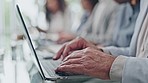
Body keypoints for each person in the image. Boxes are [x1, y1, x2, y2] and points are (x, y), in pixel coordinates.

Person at [53, 0, 148, 83]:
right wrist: (100, 52)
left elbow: (111, 40)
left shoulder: (116, 6)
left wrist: (111, 64)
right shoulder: (142, 4)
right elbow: (137, 53)